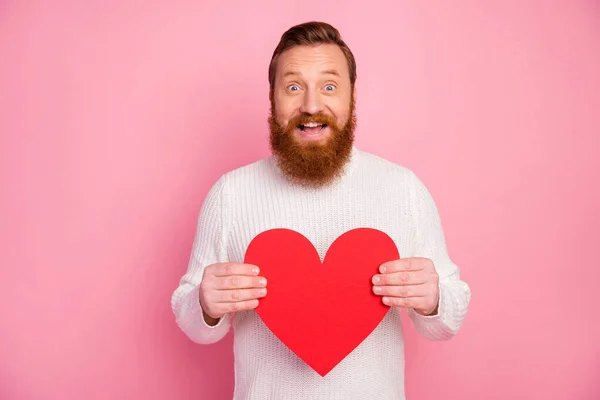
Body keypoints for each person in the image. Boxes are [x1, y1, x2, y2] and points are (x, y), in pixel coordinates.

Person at [171, 21, 471, 400]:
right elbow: (193, 323)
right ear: (272, 97)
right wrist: (203, 303)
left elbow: (447, 321)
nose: (311, 105)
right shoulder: (230, 194)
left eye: (329, 86)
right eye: (293, 87)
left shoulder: (403, 188)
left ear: (352, 96)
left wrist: (435, 299)